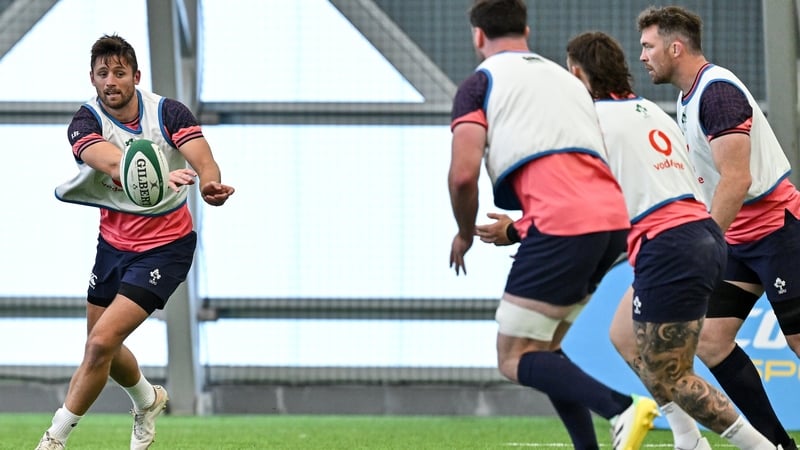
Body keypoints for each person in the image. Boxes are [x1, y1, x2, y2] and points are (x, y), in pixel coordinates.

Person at [478, 30, 777, 450]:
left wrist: (513, 229)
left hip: (669, 246)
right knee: (623, 335)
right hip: (699, 237)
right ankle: (687, 439)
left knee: (675, 374)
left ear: (579, 74)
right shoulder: (650, 111)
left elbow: (575, 206)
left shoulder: (593, 125)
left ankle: (762, 448)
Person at [448, 2, 658, 449]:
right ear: (525, 29)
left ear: (477, 37)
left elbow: (463, 175)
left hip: (562, 226)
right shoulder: (569, 82)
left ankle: (621, 408)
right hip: (610, 224)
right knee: (545, 350)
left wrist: (465, 232)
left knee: (512, 358)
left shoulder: (481, 82)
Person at [38, 34, 235, 450]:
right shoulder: (85, 121)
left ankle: (53, 440)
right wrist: (160, 176)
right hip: (113, 245)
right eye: (102, 73)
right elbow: (108, 160)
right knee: (103, 351)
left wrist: (210, 184)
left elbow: (203, 157)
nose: (111, 80)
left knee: (99, 344)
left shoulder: (167, 112)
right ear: (91, 78)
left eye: (120, 72)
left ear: (136, 76)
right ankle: (148, 401)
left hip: (166, 247)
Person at [632, 5, 800, 450]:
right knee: (709, 340)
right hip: (741, 239)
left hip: (779, 230)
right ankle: (777, 445)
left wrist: (704, 244)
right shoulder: (688, 98)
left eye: (648, 46)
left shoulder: (716, 92)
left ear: (676, 47)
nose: (642, 56)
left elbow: (738, 179)